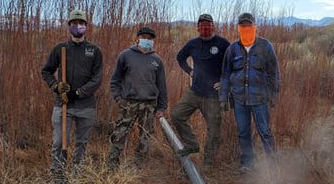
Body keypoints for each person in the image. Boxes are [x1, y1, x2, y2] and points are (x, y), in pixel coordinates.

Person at [40, 9, 103, 184]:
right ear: (69, 26)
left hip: (86, 106)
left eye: (81, 23)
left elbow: (97, 79)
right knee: (60, 141)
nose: (78, 26)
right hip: (63, 105)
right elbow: (46, 72)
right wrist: (56, 86)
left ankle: (77, 174)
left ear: (86, 27)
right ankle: (58, 174)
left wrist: (77, 93)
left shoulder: (94, 51)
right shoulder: (61, 49)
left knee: (81, 143)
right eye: (74, 23)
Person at [219, 12, 280, 173]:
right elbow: (225, 75)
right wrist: (223, 97)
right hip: (239, 99)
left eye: (249, 25)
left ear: (254, 27)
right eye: (243, 25)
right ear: (239, 28)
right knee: (243, 132)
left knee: (265, 132)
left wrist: (274, 95)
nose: (246, 28)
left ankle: (272, 166)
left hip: (260, 98)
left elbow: (274, 73)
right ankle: (247, 163)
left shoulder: (265, 47)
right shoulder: (232, 49)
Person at [170, 13, 230, 168]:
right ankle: (192, 144)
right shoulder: (193, 44)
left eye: (208, 24)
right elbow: (180, 58)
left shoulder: (223, 43)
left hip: (213, 96)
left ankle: (208, 161)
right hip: (195, 91)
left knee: (214, 129)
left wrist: (224, 81)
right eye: (202, 24)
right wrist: (189, 71)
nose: (205, 27)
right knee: (177, 115)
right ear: (197, 27)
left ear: (213, 26)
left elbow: (232, 65)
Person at [108, 27, 168, 169]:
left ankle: (139, 165)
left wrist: (162, 107)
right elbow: (115, 80)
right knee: (120, 133)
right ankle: (112, 164)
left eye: (149, 38)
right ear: (137, 38)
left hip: (149, 104)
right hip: (129, 103)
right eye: (144, 37)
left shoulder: (157, 60)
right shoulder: (125, 55)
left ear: (153, 41)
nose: (146, 40)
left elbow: (162, 86)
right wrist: (118, 98)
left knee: (145, 136)